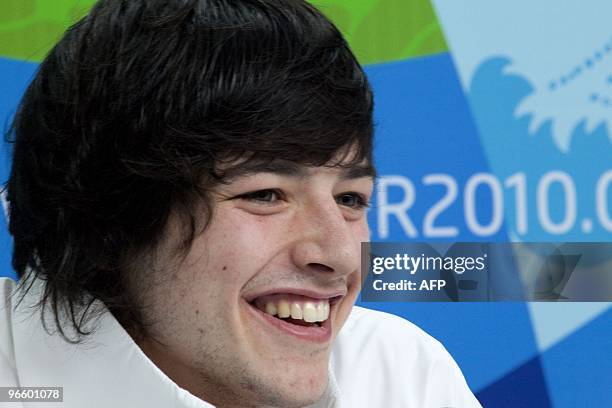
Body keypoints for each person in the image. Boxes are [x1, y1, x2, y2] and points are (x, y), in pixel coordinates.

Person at [0, 0, 481, 407]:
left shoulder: (400, 375)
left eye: (350, 198)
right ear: (109, 216)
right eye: (266, 194)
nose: (338, 255)